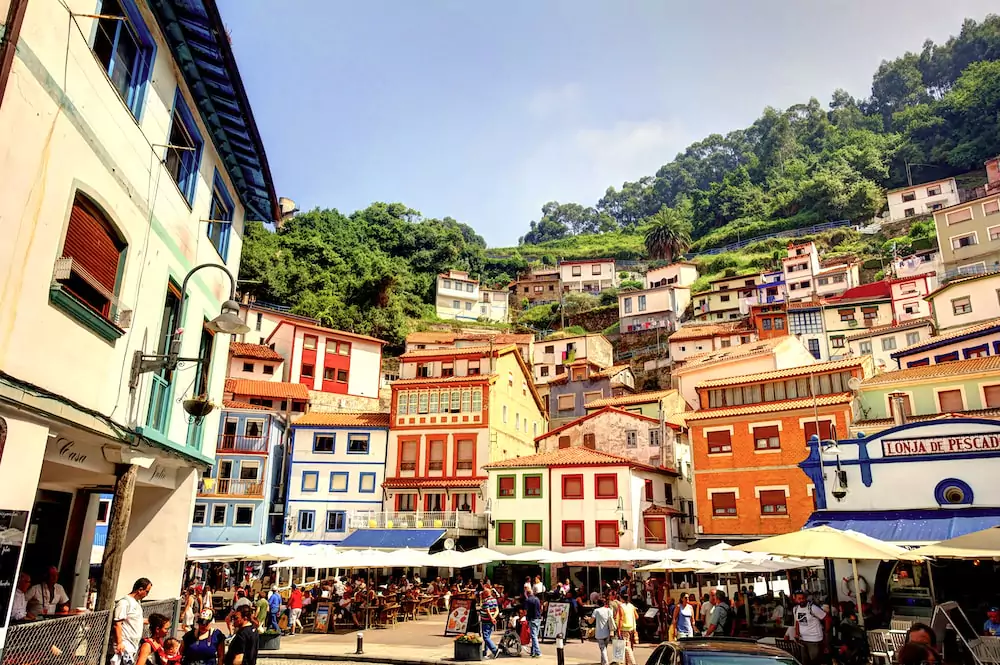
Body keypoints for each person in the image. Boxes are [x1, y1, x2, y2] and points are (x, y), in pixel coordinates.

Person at [112, 578, 152, 665]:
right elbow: (118, 624)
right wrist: (119, 643)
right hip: (125, 644)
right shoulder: (124, 603)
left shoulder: (137, 603)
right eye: (147, 591)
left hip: (133, 644)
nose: (147, 594)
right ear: (140, 590)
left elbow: (135, 620)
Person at [791, 590, 830, 665]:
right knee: (805, 662)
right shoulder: (795, 609)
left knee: (814, 662)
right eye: (799, 598)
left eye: (803, 598)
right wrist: (796, 633)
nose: (802, 600)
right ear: (795, 599)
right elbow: (797, 621)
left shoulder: (813, 608)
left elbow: (827, 618)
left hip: (814, 639)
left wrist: (826, 632)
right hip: (803, 639)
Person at [617, 594, 639, 665]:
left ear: (621, 599)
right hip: (632, 628)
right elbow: (637, 616)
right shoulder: (632, 606)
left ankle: (633, 663)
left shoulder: (621, 607)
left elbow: (621, 619)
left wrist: (619, 630)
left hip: (624, 628)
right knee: (629, 646)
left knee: (627, 647)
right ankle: (627, 663)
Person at [593, 595, 615, 665]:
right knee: (604, 648)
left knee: (603, 648)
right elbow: (611, 619)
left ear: (598, 604)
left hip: (599, 633)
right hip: (607, 632)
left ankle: (605, 662)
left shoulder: (596, 611)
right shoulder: (609, 610)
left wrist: (587, 619)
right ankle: (602, 662)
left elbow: (591, 621)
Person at [479, 586, 500, 659]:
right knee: (488, 636)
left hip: (486, 620)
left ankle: (494, 650)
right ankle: (485, 652)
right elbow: (497, 610)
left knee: (486, 637)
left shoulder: (486, 601)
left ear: (485, 594)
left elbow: (487, 611)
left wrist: (491, 618)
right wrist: (494, 618)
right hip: (491, 620)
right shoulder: (494, 600)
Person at [524, 587, 542, 658]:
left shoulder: (527, 600)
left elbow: (525, 611)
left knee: (534, 636)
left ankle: (538, 652)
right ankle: (533, 652)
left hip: (532, 619)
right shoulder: (537, 599)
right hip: (538, 618)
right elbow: (541, 608)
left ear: (527, 594)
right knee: (535, 636)